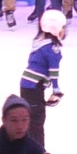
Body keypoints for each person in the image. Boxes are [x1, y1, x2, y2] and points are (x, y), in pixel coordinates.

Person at [18, 14, 66, 146]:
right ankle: (37, 150)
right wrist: (56, 90)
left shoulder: (40, 41)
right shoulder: (52, 48)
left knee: (31, 117)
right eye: (62, 27)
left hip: (28, 83)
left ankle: (29, 148)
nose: (64, 30)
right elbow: (54, 71)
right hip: (34, 86)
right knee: (36, 119)